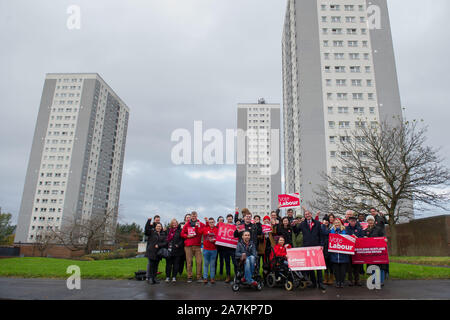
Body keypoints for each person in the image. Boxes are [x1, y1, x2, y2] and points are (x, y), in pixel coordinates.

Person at [293, 209, 326, 290]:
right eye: (306, 214)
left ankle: (320, 283)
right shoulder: (302, 224)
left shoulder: (317, 223)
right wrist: (294, 225)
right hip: (307, 247)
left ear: (311, 214)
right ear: (304, 216)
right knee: (310, 267)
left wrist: (321, 245)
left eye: (309, 214)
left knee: (318, 266)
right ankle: (314, 283)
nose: (307, 215)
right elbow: (296, 231)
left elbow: (321, 235)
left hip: (317, 247)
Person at [181, 211, 205, 283]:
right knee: (189, 262)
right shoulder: (187, 224)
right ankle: (189, 276)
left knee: (199, 261)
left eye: (195, 216)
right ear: (191, 216)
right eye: (192, 216)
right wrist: (187, 236)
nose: (193, 217)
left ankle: (199, 276)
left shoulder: (200, 224)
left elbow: (206, 228)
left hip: (197, 245)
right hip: (188, 246)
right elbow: (182, 233)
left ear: (196, 216)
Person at [364, 215, 388, 285]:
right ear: (367, 221)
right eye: (369, 220)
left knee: (380, 265)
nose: (370, 222)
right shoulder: (366, 230)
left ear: (374, 221)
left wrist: (385, 239)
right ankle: (374, 279)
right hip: (370, 251)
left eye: (371, 220)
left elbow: (383, 236)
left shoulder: (379, 229)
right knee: (372, 265)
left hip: (378, 250)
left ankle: (381, 281)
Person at [329, 219, 350, 288]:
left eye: (338, 222)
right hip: (334, 254)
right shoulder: (331, 231)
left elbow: (349, 239)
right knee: (336, 270)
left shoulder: (345, 230)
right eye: (335, 222)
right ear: (333, 223)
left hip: (343, 254)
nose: (337, 223)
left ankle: (342, 282)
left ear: (341, 223)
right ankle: (337, 282)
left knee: (343, 270)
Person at [345, 215, 364, 286]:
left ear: (356, 222)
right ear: (349, 221)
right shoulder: (346, 229)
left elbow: (362, 237)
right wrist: (351, 237)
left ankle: (357, 280)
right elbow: (345, 237)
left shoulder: (359, 229)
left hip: (357, 249)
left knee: (357, 265)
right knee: (349, 266)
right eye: (351, 221)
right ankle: (350, 280)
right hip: (349, 250)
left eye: (354, 221)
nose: (353, 222)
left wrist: (357, 238)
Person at [219, 214, 237, 283]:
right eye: (228, 219)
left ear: (232, 219)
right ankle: (228, 276)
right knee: (227, 263)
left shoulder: (235, 226)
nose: (229, 220)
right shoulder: (224, 226)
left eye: (231, 219)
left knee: (235, 263)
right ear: (227, 219)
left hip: (233, 248)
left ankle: (236, 276)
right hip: (226, 248)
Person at [200, 217, 218, 284]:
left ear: (214, 222)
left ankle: (212, 278)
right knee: (206, 264)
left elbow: (219, 239)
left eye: (212, 222)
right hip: (206, 249)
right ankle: (205, 278)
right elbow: (199, 231)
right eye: (210, 222)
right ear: (208, 223)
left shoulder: (217, 229)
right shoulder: (205, 228)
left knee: (212, 265)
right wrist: (197, 225)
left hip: (214, 249)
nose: (211, 223)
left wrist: (214, 240)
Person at [165, 218, 184, 283]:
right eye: (173, 223)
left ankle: (174, 277)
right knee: (168, 264)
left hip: (177, 250)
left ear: (177, 224)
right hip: (169, 250)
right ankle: (167, 277)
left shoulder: (180, 230)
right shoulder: (168, 230)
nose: (174, 224)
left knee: (176, 264)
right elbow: (165, 238)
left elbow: (182, 239)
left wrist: (178, 245)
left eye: (175, 223)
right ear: (171, 224)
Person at [321, 213, 335, 285]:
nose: (326, 222)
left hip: (331, 247)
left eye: (327, 221)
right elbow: (324, 232)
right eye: (324, 220)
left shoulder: (331, 227)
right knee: (326, 264)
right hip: (324, 247)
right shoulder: (322, 227)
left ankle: (331, 278)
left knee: (331, 264)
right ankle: (326, 278)